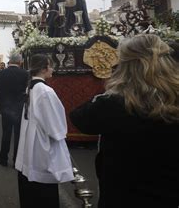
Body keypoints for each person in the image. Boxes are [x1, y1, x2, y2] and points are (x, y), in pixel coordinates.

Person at [70, 34, 179, 208]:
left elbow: (79, 117)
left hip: (121, 197)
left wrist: (115, 89)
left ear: (124, 67)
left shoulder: (112, 104)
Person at [15, 54, 74, 208]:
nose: (52, 69)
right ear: (43, 68)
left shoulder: (31, 86)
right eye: (51, 66)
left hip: (31, 144)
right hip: (41, 148)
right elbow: (55, 128)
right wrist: (61, 131)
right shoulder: (45, 90)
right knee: (44, 195)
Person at [0, 54, 29, 167]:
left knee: (6, 133)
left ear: (10, 61)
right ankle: (16, 161)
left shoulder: (1, 73)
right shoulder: (25, 74)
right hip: (19, 108)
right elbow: (27, 92)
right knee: (18, 135)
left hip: (5, 107)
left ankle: (3, 158)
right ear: (20, 62)